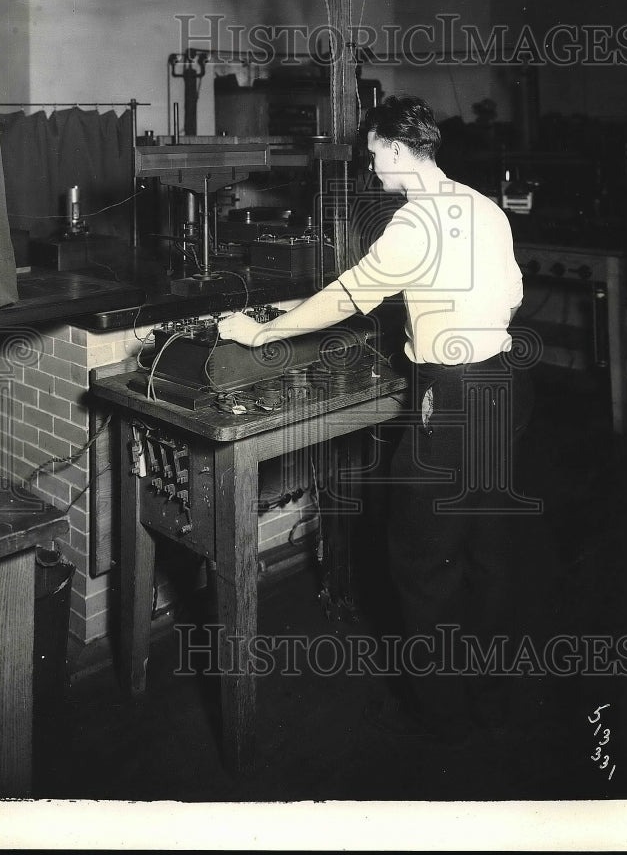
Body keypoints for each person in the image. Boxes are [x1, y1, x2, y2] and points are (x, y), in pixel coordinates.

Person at [218, 94, 534, 744]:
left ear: (395, 148)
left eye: (373, 153)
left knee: (421, 561)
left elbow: (347, 296)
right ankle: (495, 700)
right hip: (506, 387)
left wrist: (259, 333)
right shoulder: (482, 207)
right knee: (489, 550)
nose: (371, 166)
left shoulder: (413, 224)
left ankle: (440, 718)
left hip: (450, 396)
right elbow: (510, 295)